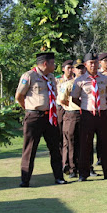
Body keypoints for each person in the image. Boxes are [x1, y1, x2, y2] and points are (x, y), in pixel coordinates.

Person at [15, 52, 66, 187]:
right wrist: (28, 109)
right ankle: (25, 179)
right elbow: (19, 96)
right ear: (45, 63)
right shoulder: (29, 76)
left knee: (55, 147)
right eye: (53, 63)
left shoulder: (51, 77)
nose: (54, 65)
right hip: (34, 117)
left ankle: (59, 177)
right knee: (30, 149)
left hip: (49, 116)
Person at [71, 53, 107, 181]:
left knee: (106, 144)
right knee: (85, 144)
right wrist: (86, 106)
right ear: (85, 65)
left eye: (95, 62)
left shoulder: (105, 78)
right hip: (87, 114)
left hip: (102, 113)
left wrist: (105, 105)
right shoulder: (80, 80)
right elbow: (74, 98)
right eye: (91, 62)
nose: (93, 65)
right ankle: (83, 173)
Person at [58, 59, 86, 178]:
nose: (80, 70)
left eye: (82, 68)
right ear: (74, 70)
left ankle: (84, 167)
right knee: (71, 143)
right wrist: (71, 106)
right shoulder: (68, 84)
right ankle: (72, 168)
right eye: (78, 68)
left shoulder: (88, 83)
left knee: (84, 142)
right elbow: (62, 100)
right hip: (72, 114)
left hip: (84, 114)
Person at [56, 59, 74, 173]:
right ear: (63, 69)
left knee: (69, 137)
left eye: (72, 68)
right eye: (68, 68)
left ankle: (69, 163)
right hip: (60, 109)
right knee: (60, 136)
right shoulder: (58, 80)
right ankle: (62, 162)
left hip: (70, 109)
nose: (70, 70)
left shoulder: (75, 81)